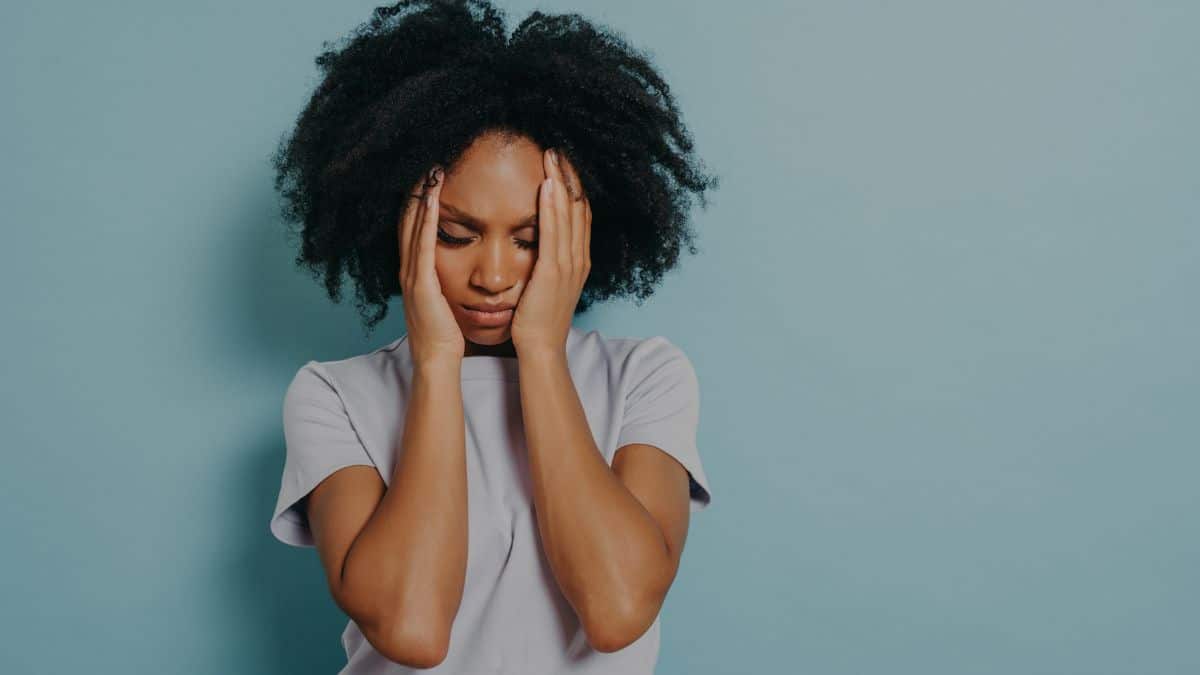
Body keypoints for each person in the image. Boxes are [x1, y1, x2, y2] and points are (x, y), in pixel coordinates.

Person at [267, 1, 719, 672]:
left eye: (530, 239)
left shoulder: (646, 378)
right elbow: (412, 628)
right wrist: (437, 362)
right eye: (456, 234)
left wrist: (541, 351)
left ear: (582, 235)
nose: (495, 274)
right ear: (397, 221)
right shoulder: (333, 395)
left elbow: (617, 608)